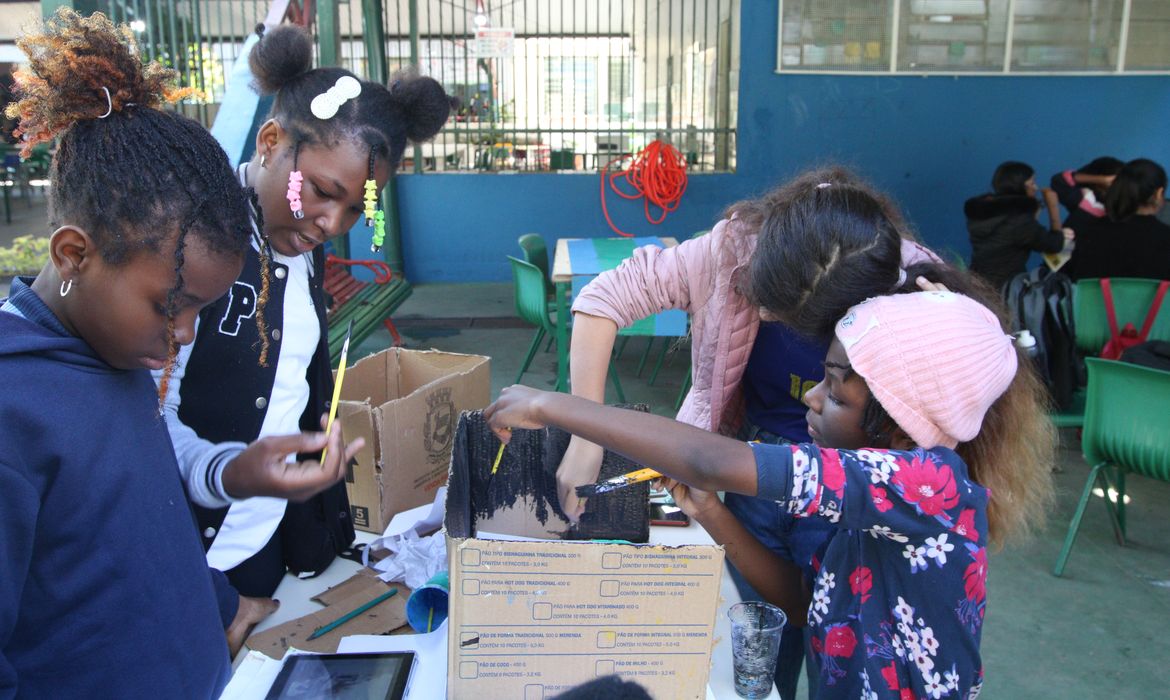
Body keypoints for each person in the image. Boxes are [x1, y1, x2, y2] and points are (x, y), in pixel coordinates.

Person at [484, 268, 1055, 699]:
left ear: (905, 415)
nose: (812, 399)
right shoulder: (868, 496)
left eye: (835, 391)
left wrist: (551, 405)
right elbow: (804, 604)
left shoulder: (926, 484)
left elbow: (708, 459)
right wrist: (711, 511)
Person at [0, 9, 358, 695]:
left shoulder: (115, 359)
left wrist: (222, 598)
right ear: (72, 255)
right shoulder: (15, 415)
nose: (186, 333)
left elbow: (145, 523)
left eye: (199, 309)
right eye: (172, 305)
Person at [556, 167, 940, 699]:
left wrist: (947, 331)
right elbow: (603, 298)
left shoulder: (910, 286)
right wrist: (585, 439)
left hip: (849, 484)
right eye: (762, 296)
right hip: (748, 470)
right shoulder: (732, 249)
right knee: (755, 653)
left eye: (788, 317)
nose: (759, 312)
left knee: (839, 653)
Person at [157, 23, 452, 600]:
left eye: (356, 208)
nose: (331, 224)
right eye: (320, 190)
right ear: (269, 141)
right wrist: (227, 473)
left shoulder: (298, 243)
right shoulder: (194, 244)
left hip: (266, 542)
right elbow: (147, 417)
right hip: (192, 561)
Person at [964, 161, 1071, 289]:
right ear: (1021, 185)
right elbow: (1054, 245)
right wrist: (1053, 206)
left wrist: (1033, 211)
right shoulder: (1020, 222)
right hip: (1004, 288)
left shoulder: (982, 212)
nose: (1035, 187)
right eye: (1032, 182)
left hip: (976, 281)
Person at [1062, 158, 1170, 281]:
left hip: (1095, 294)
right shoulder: (1166, 237)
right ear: (1158, 194)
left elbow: (1065, 276)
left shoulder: (1086, 231)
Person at [1047, 157, 1124, 279]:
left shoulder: (1123, 208)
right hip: (1065, 261)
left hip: (1096, 268)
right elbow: (1058, 181)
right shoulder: (1087, 199)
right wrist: (1100, 179)